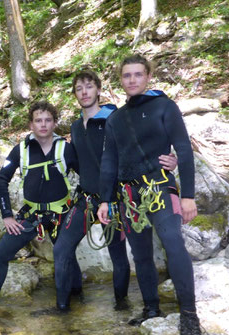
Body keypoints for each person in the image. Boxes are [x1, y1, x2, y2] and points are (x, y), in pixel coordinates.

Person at [97, 54, 201, 335]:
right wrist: (106, 200)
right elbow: (109, 161)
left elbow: (183, 148)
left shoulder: (165, 107)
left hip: (159, 188)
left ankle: (190, 316)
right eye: (127, 75)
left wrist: (188, 195)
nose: (132, 80)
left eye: (138, 75)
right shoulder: (115, 119)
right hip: (129, 197)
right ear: (121, 79)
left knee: (173, 243)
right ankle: (151, 308)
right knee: (140, 255)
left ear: (148, 77)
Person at [53, 69, 177, 311]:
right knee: (62, 247)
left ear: (99, 89)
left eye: (89, 87)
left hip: (116, 200)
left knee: (118, 256)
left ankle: (121, 305)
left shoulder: (115, 119)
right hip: (87, 199)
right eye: (79, 89)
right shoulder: (76, 127)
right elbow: (79, 161)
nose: (84, 92)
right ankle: (62, 308)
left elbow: (139, 144)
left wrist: (171, 160)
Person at [0, 101, 78, 310]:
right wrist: (7, 215)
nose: (43, 125)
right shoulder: (20, 151)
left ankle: (67, 306)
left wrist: (88, 207)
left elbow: (88, 176)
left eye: (48, 120)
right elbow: (1, 180)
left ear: (55, 123)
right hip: (31, 215)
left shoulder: (65, 149)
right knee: (1, 253)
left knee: (65, 256)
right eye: (38, 120)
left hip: (61, 213)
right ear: (31, 124)